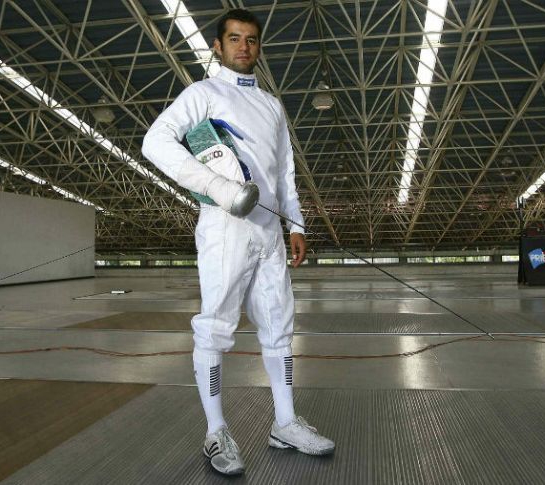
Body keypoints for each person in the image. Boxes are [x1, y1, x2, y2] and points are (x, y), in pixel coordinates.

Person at [141, 8, 335, 476]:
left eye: (251, 39)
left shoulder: (272, 105)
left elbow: (284, 173)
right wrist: (223, 190)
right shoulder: (203, 93)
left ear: (258, 46)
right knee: (215, 327)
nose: (243, 47)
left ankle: (285, 423)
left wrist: (297, 225)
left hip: (270, 233)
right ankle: (215, 432)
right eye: (234, 39)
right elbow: (155, 142)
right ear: (217, 46)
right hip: (224, 228)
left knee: (279, 327)